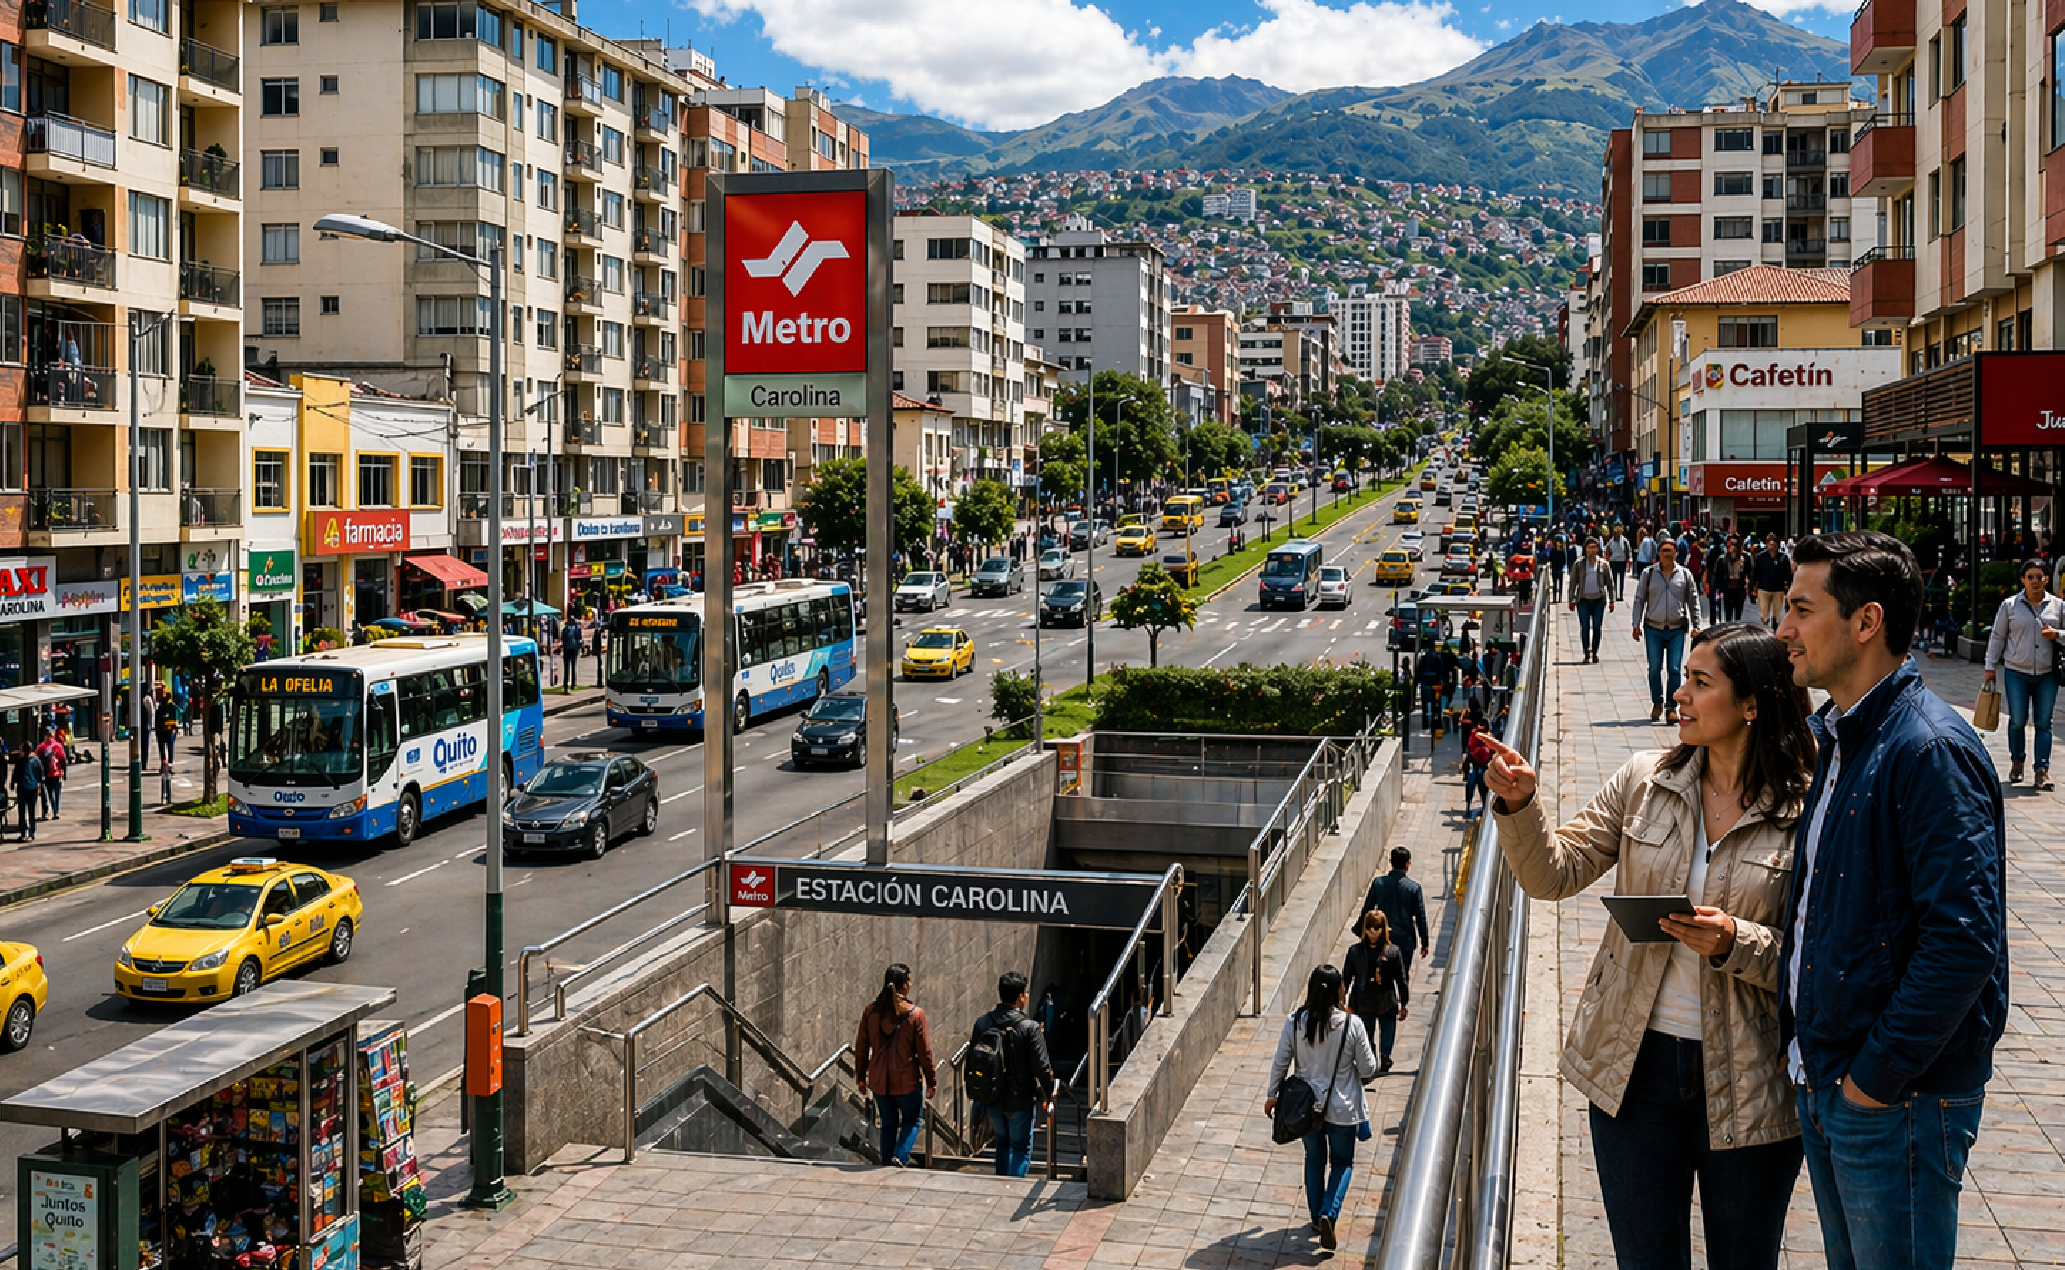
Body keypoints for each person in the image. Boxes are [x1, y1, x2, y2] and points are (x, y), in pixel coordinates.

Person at [1482, 622, 1817, 1270]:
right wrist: (1521, 807)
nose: (1679, 696)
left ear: (1751, 703)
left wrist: (1732, 941)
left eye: (1699, 683)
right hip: (1633, 1073)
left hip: (1749, 1081)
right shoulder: (1645, 780)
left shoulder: (1803, 807)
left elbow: (1820, 956)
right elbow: (1554, 873)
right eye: (1682, 679)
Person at [1775, 531, 2007, 1270]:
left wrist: (1872, 1082)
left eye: (1801, 610)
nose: (1783, 631)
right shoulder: (1837, 736)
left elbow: (1963, 941)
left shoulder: (1926, 749)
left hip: (1893, 1098)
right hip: (1834, 1080)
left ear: (1866, 622)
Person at [1263, 965, 1380, 1250]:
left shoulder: (1295, 1021)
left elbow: (1281, 1060)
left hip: (1307, 1108)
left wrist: (1272, 1094)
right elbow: (1368, 1068)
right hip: (1343, 1108)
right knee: (1342, 1163)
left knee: (1314, 1159)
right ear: (1340, 989)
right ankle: (1330, 1211)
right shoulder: (1353, 1025)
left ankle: (1316, 1217)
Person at [1982, 559, 2063, 789]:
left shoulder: (2058, 606)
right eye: (2031, 577)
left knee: (2044, 723)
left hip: (2047, 674)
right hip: (2016, 671)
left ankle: (2042, 770)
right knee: (2017, 720)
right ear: (2023, 580)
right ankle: (2017, 760)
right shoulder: (2009, 605)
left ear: (2047, 579)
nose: (2036, 581)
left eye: (2040, 576)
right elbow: (1997, 637)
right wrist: (1990, 667)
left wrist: (2056, 634)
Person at [969, 971, 1054, 1178]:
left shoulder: (983, 1023)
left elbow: (972, 1060)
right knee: (1020, 1147)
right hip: (1021, 1099)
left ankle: (1001, 1186)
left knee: (1002, 1142)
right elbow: (1042, 1067)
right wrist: (1050, 1092)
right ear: (1021, 997)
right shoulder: (1029, 1028)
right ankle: (1014, 1190)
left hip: (992, 1097)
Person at [852, 963, 937, 1168]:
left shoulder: (871, 1012)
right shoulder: (915, 1015)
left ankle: (886, 1163)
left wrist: (861, 1078)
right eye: (909, 980)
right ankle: (900, 1156)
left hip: (880, 1081)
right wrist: (931, 1080)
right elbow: (924, 1053)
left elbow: (861, 1047)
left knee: (888, 1124)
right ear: (905, 985)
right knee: (913, 1120)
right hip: (907, 1081)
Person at [1631, 539, 1702, 724]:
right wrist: (1635, 624)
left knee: (1675, 669)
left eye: (1670, 551)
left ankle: (1671, 706)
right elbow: (1639, 599)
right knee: (1654, 668)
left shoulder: (1684, 575)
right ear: (1658, 553)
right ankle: (1657, 702)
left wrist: (1696, 626)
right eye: (1664, 551)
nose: (1667, 554)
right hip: (1653, 628)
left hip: (1677, 629)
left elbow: (1693, 601)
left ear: (1676, 553)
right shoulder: (1648, 574)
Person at [1344, 909, 1409, 1074]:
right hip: (1363, 999)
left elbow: (1401, 979)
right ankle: (1371, 1061)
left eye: (1377, 928)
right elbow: (1346, 978)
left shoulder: (1393, 952)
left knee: (1388, 1030)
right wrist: (1344, 1002)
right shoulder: (1355, 952)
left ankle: (1385, 1056)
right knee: (1366, 1034)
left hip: (1386, 999)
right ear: (1365, 929)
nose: (1374, 932)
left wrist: (1404, 1003)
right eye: (1371, 928)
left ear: (1383, 929)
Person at [1360, 847, 1430, 979]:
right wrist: (1424, 942)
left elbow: (1367, 910)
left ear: (1391, 862)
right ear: (1407, 864)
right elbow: (1421, 917)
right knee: (1401, 976)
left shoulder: (1379, 883)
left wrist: (1362, 933)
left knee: (1380, 974)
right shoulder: (1414, 888)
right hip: (1405, 939)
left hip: (1381, 938)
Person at [1570, 538, 1616, 663]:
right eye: (1590, 547)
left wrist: (1612, 600)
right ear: (1585, 549)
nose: (1592, 550)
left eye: (1594, 547)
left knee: (1597, 627)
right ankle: (1586, 651)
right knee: (1584, 627)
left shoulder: (1603, 564)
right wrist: (1571, 599)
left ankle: (1595, 652)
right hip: (1583, 600)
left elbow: (1610, 584)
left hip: (1599, 601)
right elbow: (1573, 583)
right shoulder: (1579, 565)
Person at [1753, 534, 1792, 630]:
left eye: (1774, 544)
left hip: (1778, 590)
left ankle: (1775, 632)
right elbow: (1755, 574)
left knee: (1777, 616)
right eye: (1769, 544)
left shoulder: (1783, 558)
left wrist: (1788, 590)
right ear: (1766, 544)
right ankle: (1765, 631)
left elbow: (1788, 575)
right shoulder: (1760, 557)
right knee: (1764, 615)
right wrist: (1753, 588)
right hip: (1763, 589)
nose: (1772, 546)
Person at [1710, 535, 1751, 623]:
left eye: (1735, 544)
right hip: (1727, 589)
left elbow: (1750, 572)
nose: (1733, 547)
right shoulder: (1722, 559)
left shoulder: (1745, 558)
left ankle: (1736, 631)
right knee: (1728, 613)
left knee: (1738, 614)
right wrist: (1716, 591)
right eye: (1731, 544)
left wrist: (1749, 587)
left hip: (1739, 589)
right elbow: (1717, 575)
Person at [12, 745, 41, 841]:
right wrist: (39, 784)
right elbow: (40, 773)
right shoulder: (35, 760)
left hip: (23, 788)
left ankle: (24, 832)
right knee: (31, 811)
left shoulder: (21, 761)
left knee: (22, 811)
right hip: (32, 787)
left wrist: (13, 783)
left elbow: (15, 774)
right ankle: (31, 831)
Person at [35, 728, 64, 820]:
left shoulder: (41, 747)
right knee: (56, 793)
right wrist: (64, 772)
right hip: (56, 773)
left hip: (46, 773)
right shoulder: (58, 746)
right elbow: (62, 759)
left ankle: (48, 811)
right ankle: (56, 811)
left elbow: (36, 760)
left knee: (48, 793)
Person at [1606, 527, 1633, 600]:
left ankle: (1616, 594)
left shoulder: (1612, 541)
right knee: (1620, 579)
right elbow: (1628, 551)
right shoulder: (1624, 541)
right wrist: (1629, 560)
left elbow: (1608, 551)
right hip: (1620, 561)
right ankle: (1619, 595)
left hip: (1615, 561)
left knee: (1615, 579)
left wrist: (1608, 559)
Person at [560, 615, 583, 689]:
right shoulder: (577, 628)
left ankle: (565, 683)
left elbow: (563, 639)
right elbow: (579, 639)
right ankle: (573, 683)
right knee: (573, 666)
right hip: (574, 649)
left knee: (566, 667)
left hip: (566, 649)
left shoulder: (565, 629)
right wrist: (579, 648)